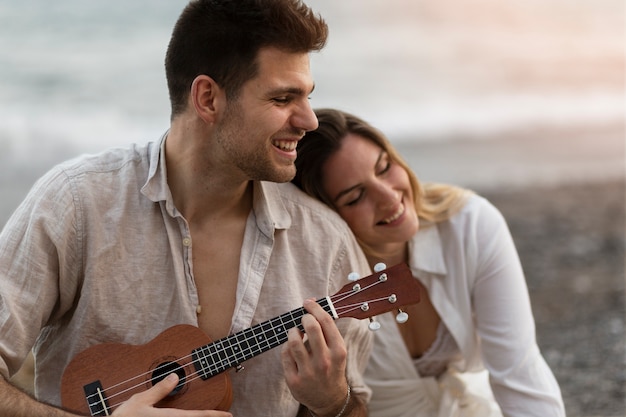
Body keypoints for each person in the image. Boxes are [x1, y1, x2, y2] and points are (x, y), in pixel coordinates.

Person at [0, 3, 375, 417]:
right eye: (283, 98)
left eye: (308, 97)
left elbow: (355, 406)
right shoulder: (76, 204)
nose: (308, 120)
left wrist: (334, 403)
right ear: (208, 98)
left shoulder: (325, 243)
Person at [292, 108, 566, 417]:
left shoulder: (470, 224)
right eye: (355, 197)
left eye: (384, 168)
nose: (388, 197)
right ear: (326, 216)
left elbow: (519, 371)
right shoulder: (313, 283)